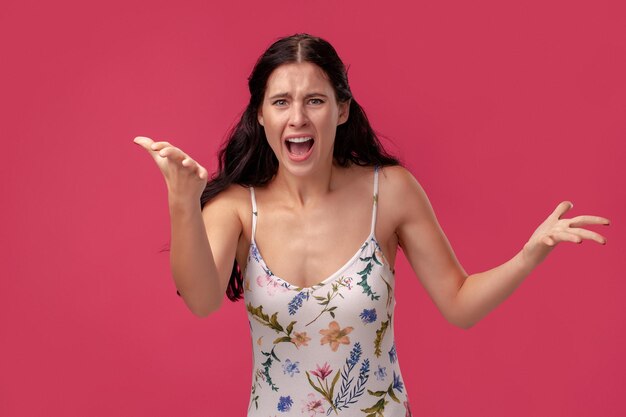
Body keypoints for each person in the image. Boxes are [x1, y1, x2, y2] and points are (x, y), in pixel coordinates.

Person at [133, 33, 610, 417]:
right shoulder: (239, 208)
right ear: (260, 115)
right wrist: (183, 200)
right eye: (281, 102)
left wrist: (527, 256)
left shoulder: (392, 192)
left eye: (314, 100)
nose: (297, 117)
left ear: (341, 110)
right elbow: (201, 299)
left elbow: (460, 304)